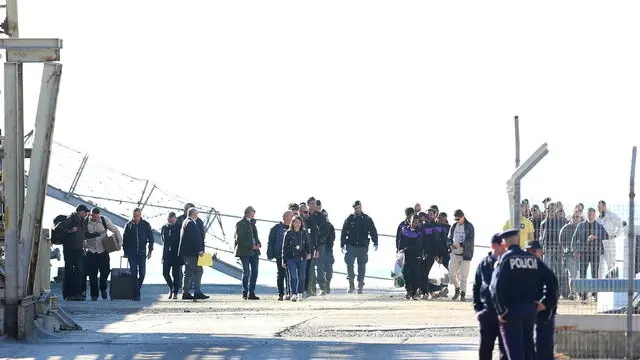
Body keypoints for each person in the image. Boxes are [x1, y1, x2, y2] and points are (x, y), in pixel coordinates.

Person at [490, 229, 543, 360]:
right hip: (530, 309)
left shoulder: (505, 259)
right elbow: (540, 282)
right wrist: (537, 302)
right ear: (518, 239)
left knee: (515, 350)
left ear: (504, 242)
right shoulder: (531, 258)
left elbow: (495, 287)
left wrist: (500, 310)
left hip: (512, 310)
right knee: (529, 347)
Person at [473, 233, 507, 360]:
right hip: (488, 312)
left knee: (505, 350)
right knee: (486, 348)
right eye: (502, 245)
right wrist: (478, 310)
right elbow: (476, 287)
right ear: (494, 246)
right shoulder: (483, 264)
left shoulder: (507, 263)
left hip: (504, 313)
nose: (504, 248)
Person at [525, 240, 559, 360]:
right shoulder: (524, 268)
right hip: (528, 311)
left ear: (540, 252)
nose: (531, 254)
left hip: (544, 313)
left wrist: (544, 303)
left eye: (534, 251)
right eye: (528, 251)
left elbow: (552, 286)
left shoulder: (541, 267)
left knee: (543, 346)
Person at [340, 200, 379, 294]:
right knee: (349, 264)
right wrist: (342, 244)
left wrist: (375, 242)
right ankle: (351, 284)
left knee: (362, 265)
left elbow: (373, 231)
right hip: (351, 245)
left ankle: (360, 285)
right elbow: (344, 232)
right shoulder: (349, 219)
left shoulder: (367, 219)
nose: (357, 210)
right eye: (355, 208)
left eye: (358, 208)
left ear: (361, 207)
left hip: (362, 246)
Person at [571, 208, 609, 302]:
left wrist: (596, 236)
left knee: (594, 274)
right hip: (583, 253)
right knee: (583, 274)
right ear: (586, 215)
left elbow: (606, 236)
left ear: (594, 215)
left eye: (592, 214)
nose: (590, 216)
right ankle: (583, 294)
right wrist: (574, 250)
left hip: (595, 252)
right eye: (589, 214)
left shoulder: (599, 225)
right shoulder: (581, 225)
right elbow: (574, 239)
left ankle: (594, 294)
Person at [84, 208, 122, 301]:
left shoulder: (105, 220)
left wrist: (119, 243)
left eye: (97, 217)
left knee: (105, 272)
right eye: (94, 217)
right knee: (92, 274)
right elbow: (82, 234)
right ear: (91, 215)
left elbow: (115, 230)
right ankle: (94, 295)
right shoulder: (85, 222)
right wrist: (83, 245)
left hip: (103, 250)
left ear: (99, 215)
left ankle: (103, 288)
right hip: (91, 251)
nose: (96, 219)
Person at [122, 208, 154, 301]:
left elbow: (151, 238)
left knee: (142, 274)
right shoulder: (129, 225)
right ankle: (137, 295)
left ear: (140, 215)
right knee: (133, 273)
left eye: (137, 216)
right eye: (134, 216)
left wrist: (150, 250)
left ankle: (136, 290)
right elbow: (125, 240)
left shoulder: (145, 225)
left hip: (142, 252)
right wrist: (125, 252)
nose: (136, 218)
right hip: (131, 253)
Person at [60, 205, 90, 301]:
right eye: (85, 212)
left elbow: (85, 234)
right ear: (80, 212)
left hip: (79, 250)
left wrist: (98, 234)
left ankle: (77, 293)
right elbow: (60, 227)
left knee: (79, 271)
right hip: (69, 249)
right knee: (69, 271)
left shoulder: (83, 221)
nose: (86, 214)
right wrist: (70, 230)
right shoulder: (71, 218)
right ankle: (68, 294)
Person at [178, 207, 209, 300]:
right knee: (195, 271)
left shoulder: (187, 222)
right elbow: (193, 239)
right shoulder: (190, 223)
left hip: (189, 253)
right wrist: (199, 250)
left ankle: (188, 292)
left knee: (191, 272)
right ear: (193, 214)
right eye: (196, 213)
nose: (197, 215)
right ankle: (194, 292)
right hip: (192, 253)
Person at [282, 215, 312, 302]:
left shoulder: (303, 233)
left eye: (299, 222)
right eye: (295, 222)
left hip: (302, 257)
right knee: (293, 276)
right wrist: (284, 260)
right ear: (293, 223)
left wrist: (309, 253)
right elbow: (284, 248)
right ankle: (293, 293)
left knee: (302, 277)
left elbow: (307, 244)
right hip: (291, 258)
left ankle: (300, 293)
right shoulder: (288, 233)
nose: (297, 224)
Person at [234, 206, 261, 300]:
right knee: (246, 272)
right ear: (248, 213)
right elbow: (239, 238)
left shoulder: (253, 224)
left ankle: (252, 292)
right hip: (244, 252)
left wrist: (258, 243)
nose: (254, 214)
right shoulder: (240, 224)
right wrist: (251, 245)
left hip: (254, 252)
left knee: (255, 272)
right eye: (253, 212)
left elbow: (255, 236)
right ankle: (245, 292)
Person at [448, 209, 475, 301]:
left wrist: (461, 244)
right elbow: (449, 237)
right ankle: (457, 288)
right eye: (455, 219)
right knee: (451, 273)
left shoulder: (469, 226)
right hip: (454, 253)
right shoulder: (454, 226)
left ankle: (462, 294)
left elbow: (470, 240)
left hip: (465, 254)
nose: (457, 221)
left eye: (458, 219)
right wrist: (450, 244)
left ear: (463, 217)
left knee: (464, 275)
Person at [267, 211, 293, 301]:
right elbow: (270, 242)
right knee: (281, 274)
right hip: (279, 255)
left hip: (291, 255)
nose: (292, 218)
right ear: (284, 217)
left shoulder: (293, 228)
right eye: (291, 216)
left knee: (290, 275)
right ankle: (280, 293)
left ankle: (290, 293)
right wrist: (270, 254)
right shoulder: (276, 228)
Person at [397, 215, 423, 300]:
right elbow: (401, 242)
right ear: (410, 221)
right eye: (413, 222)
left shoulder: (420, 232)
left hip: (416, 255)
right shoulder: (404, 230)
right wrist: (399, 251)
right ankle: (408, 291)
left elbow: (418, 244)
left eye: (416, 222)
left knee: (415, 274)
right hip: (406, 256)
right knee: (406, 274)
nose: (415, 224)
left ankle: (414, 293)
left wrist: (408, 249)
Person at [162, 212, 182, 299]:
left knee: (175, 274)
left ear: (175, 219)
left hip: (176, 254)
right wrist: (163, 256)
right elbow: (164, 242)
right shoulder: (164, 228)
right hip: (167, 253)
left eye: (172, 219)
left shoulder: (179, 227)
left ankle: (175, 292)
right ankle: (171, 287)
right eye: (168, 219)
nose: (170, 220)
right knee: (165, 273)